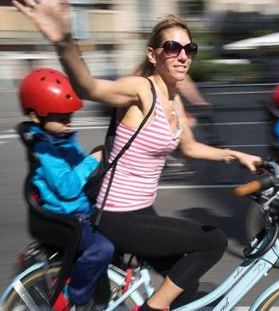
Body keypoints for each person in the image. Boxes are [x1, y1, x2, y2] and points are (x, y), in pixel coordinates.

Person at [11, 2, 262, 310]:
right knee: (214, 241)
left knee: (185, 281)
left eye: (189, 48)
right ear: (152, 54)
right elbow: (89, 87)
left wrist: (236, 155)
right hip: (118, 216)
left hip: (143, 211)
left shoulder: (174, 100)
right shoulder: (141, 91)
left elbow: (190, 147)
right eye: (172, 47)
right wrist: (64, 41)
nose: (183, 55)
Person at [17, 68, 114, 310]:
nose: (68, 122)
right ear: (36, 116)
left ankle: (100, 288)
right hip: (67, 216)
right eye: (61, 118)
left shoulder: (61, 139)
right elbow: (69, 187)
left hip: (79, 209)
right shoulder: (45, 148)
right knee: (102, 248)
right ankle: (76, 298)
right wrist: (93, 159)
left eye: (69, 116)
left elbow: (81, 173)